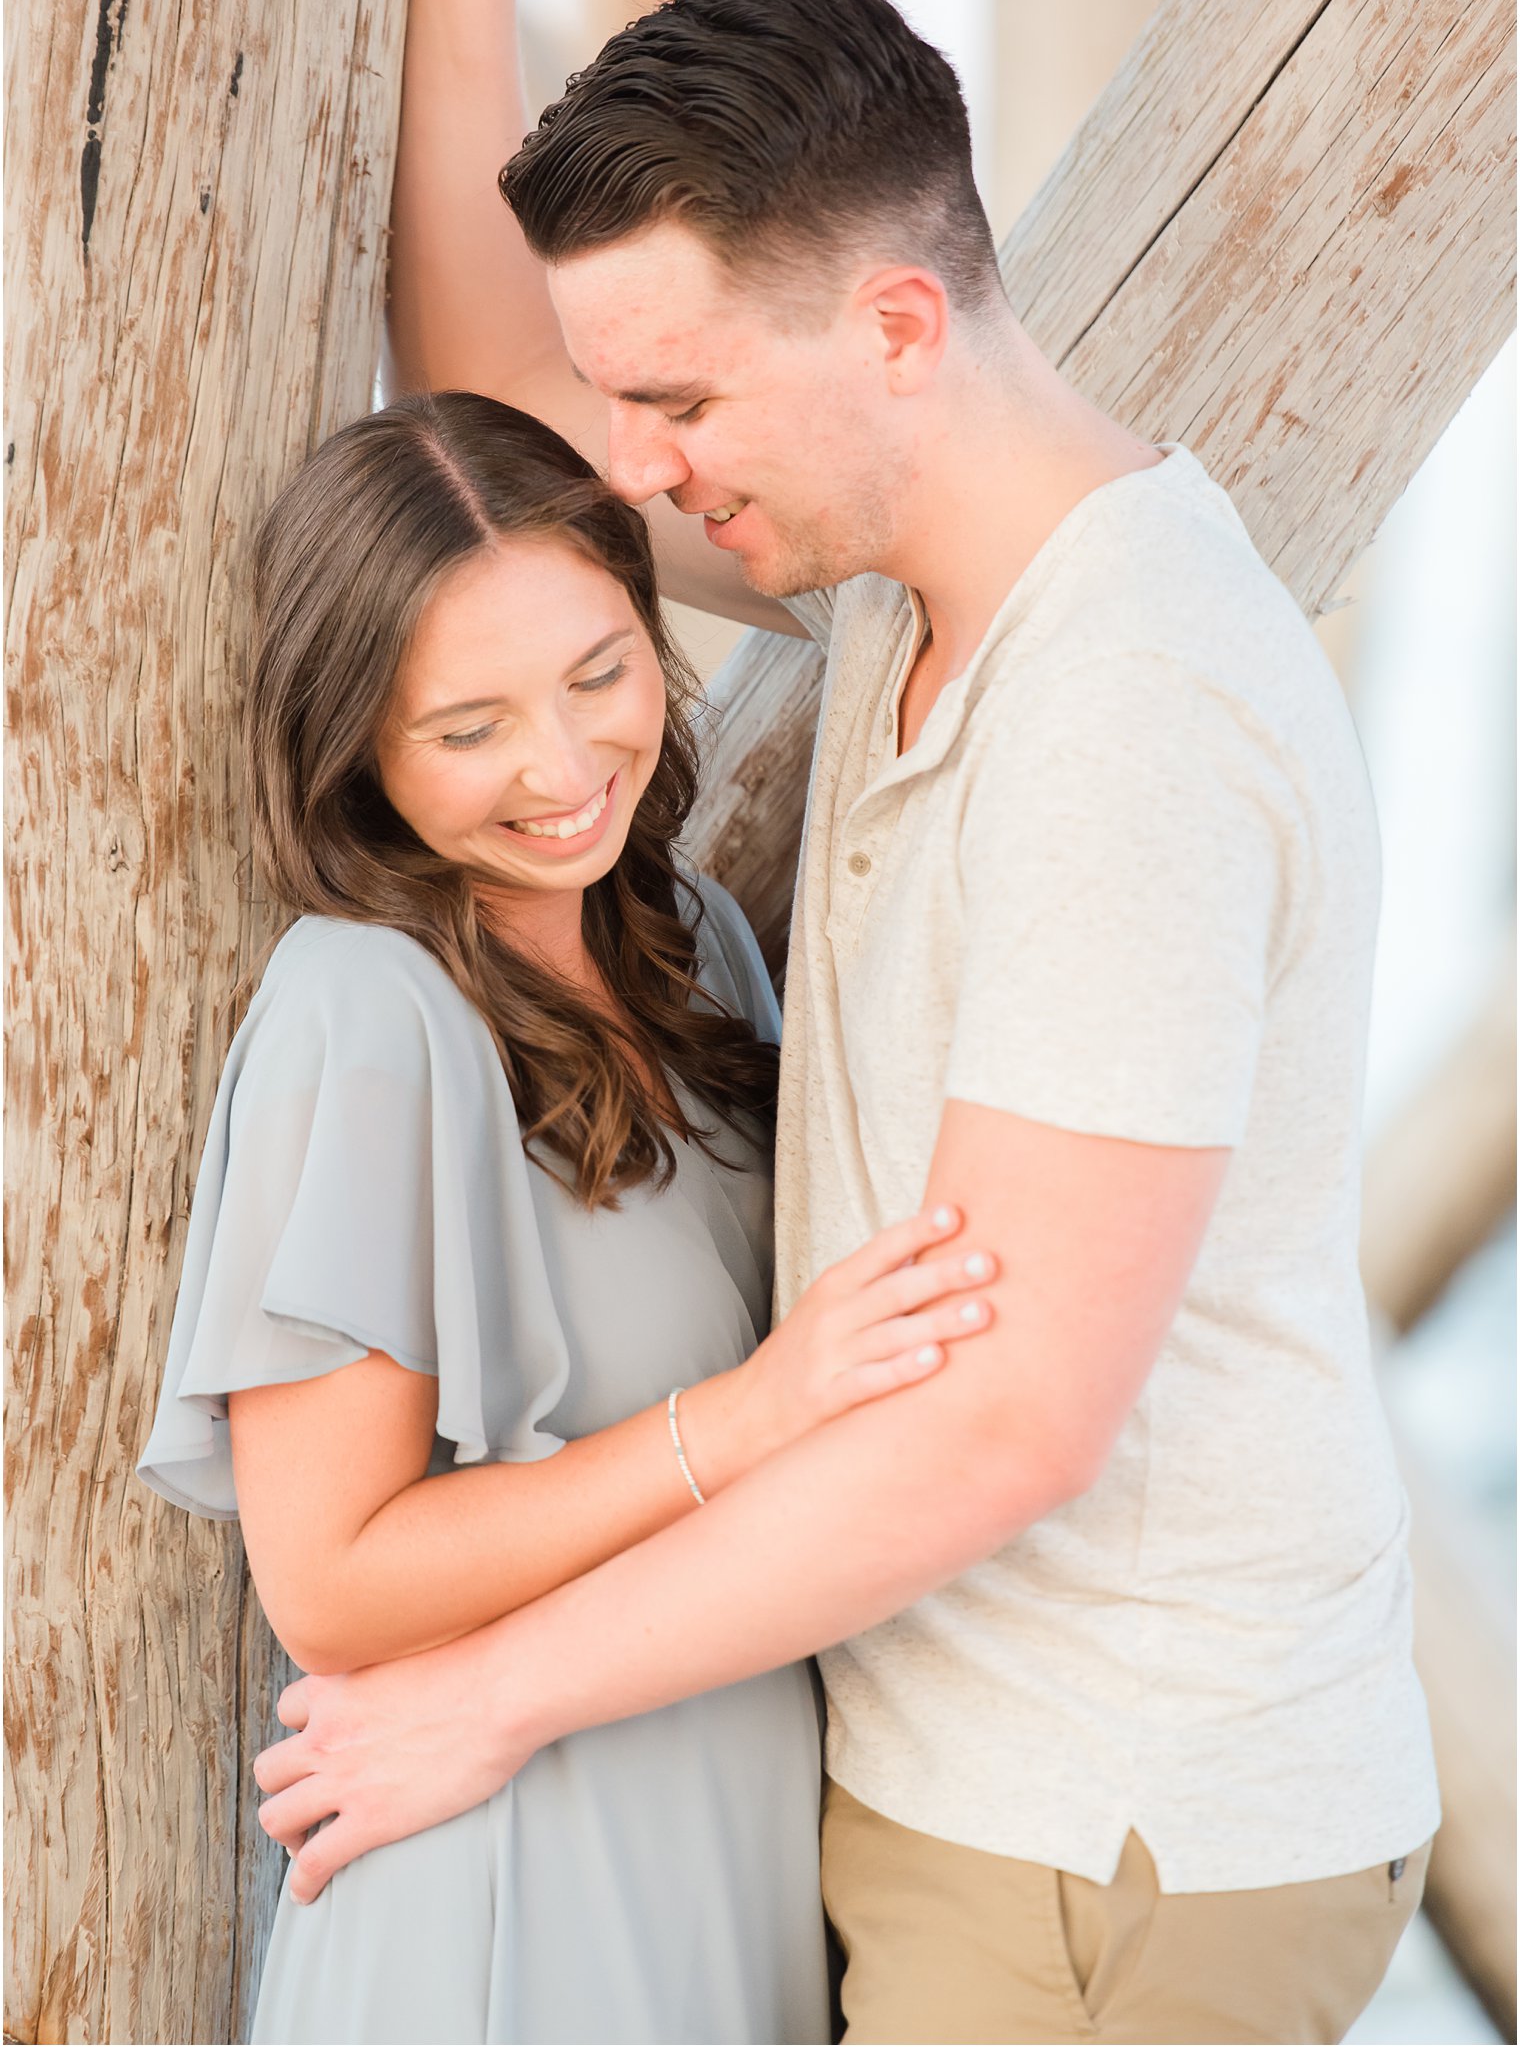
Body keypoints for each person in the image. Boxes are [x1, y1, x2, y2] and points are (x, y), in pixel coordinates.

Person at [251, 0, 1442, 2043]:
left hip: (1114, 1835)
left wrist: (480, 1698)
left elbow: (1004, 1425)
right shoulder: (912, 575)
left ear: (896, 322)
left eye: (681, 398)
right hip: (967, 1778)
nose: (642, 465)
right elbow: (494, 408)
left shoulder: (1125, 718)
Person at [136, 388, 1000, 2046]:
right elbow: (332, 1577)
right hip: (511, 1886)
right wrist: (746, 1416)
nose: (559, 766)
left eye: (599, 674)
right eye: (465, 730)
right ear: (357, 751)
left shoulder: (689, 945)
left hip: (731, 1829)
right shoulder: (364, 1011)